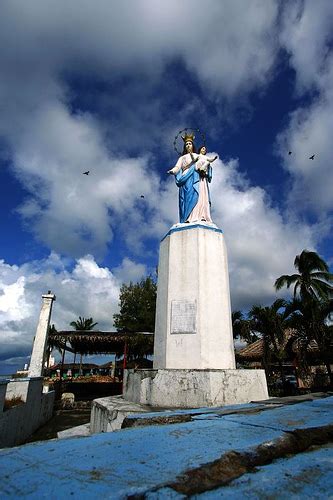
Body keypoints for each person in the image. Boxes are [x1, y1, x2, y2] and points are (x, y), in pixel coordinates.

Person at [168, 137, 218, 223]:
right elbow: (177, 167)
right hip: (186, 177)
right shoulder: (182, 158)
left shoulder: (197, 155)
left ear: (192, 145)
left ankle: (200, 215)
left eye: (189, 143)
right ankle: (187, 218)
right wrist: (173, 171)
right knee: (187, 197)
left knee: (199, 194)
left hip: (196, 176)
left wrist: (204, 168)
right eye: (186, 144)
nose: (188, 145)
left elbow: (205, 162)